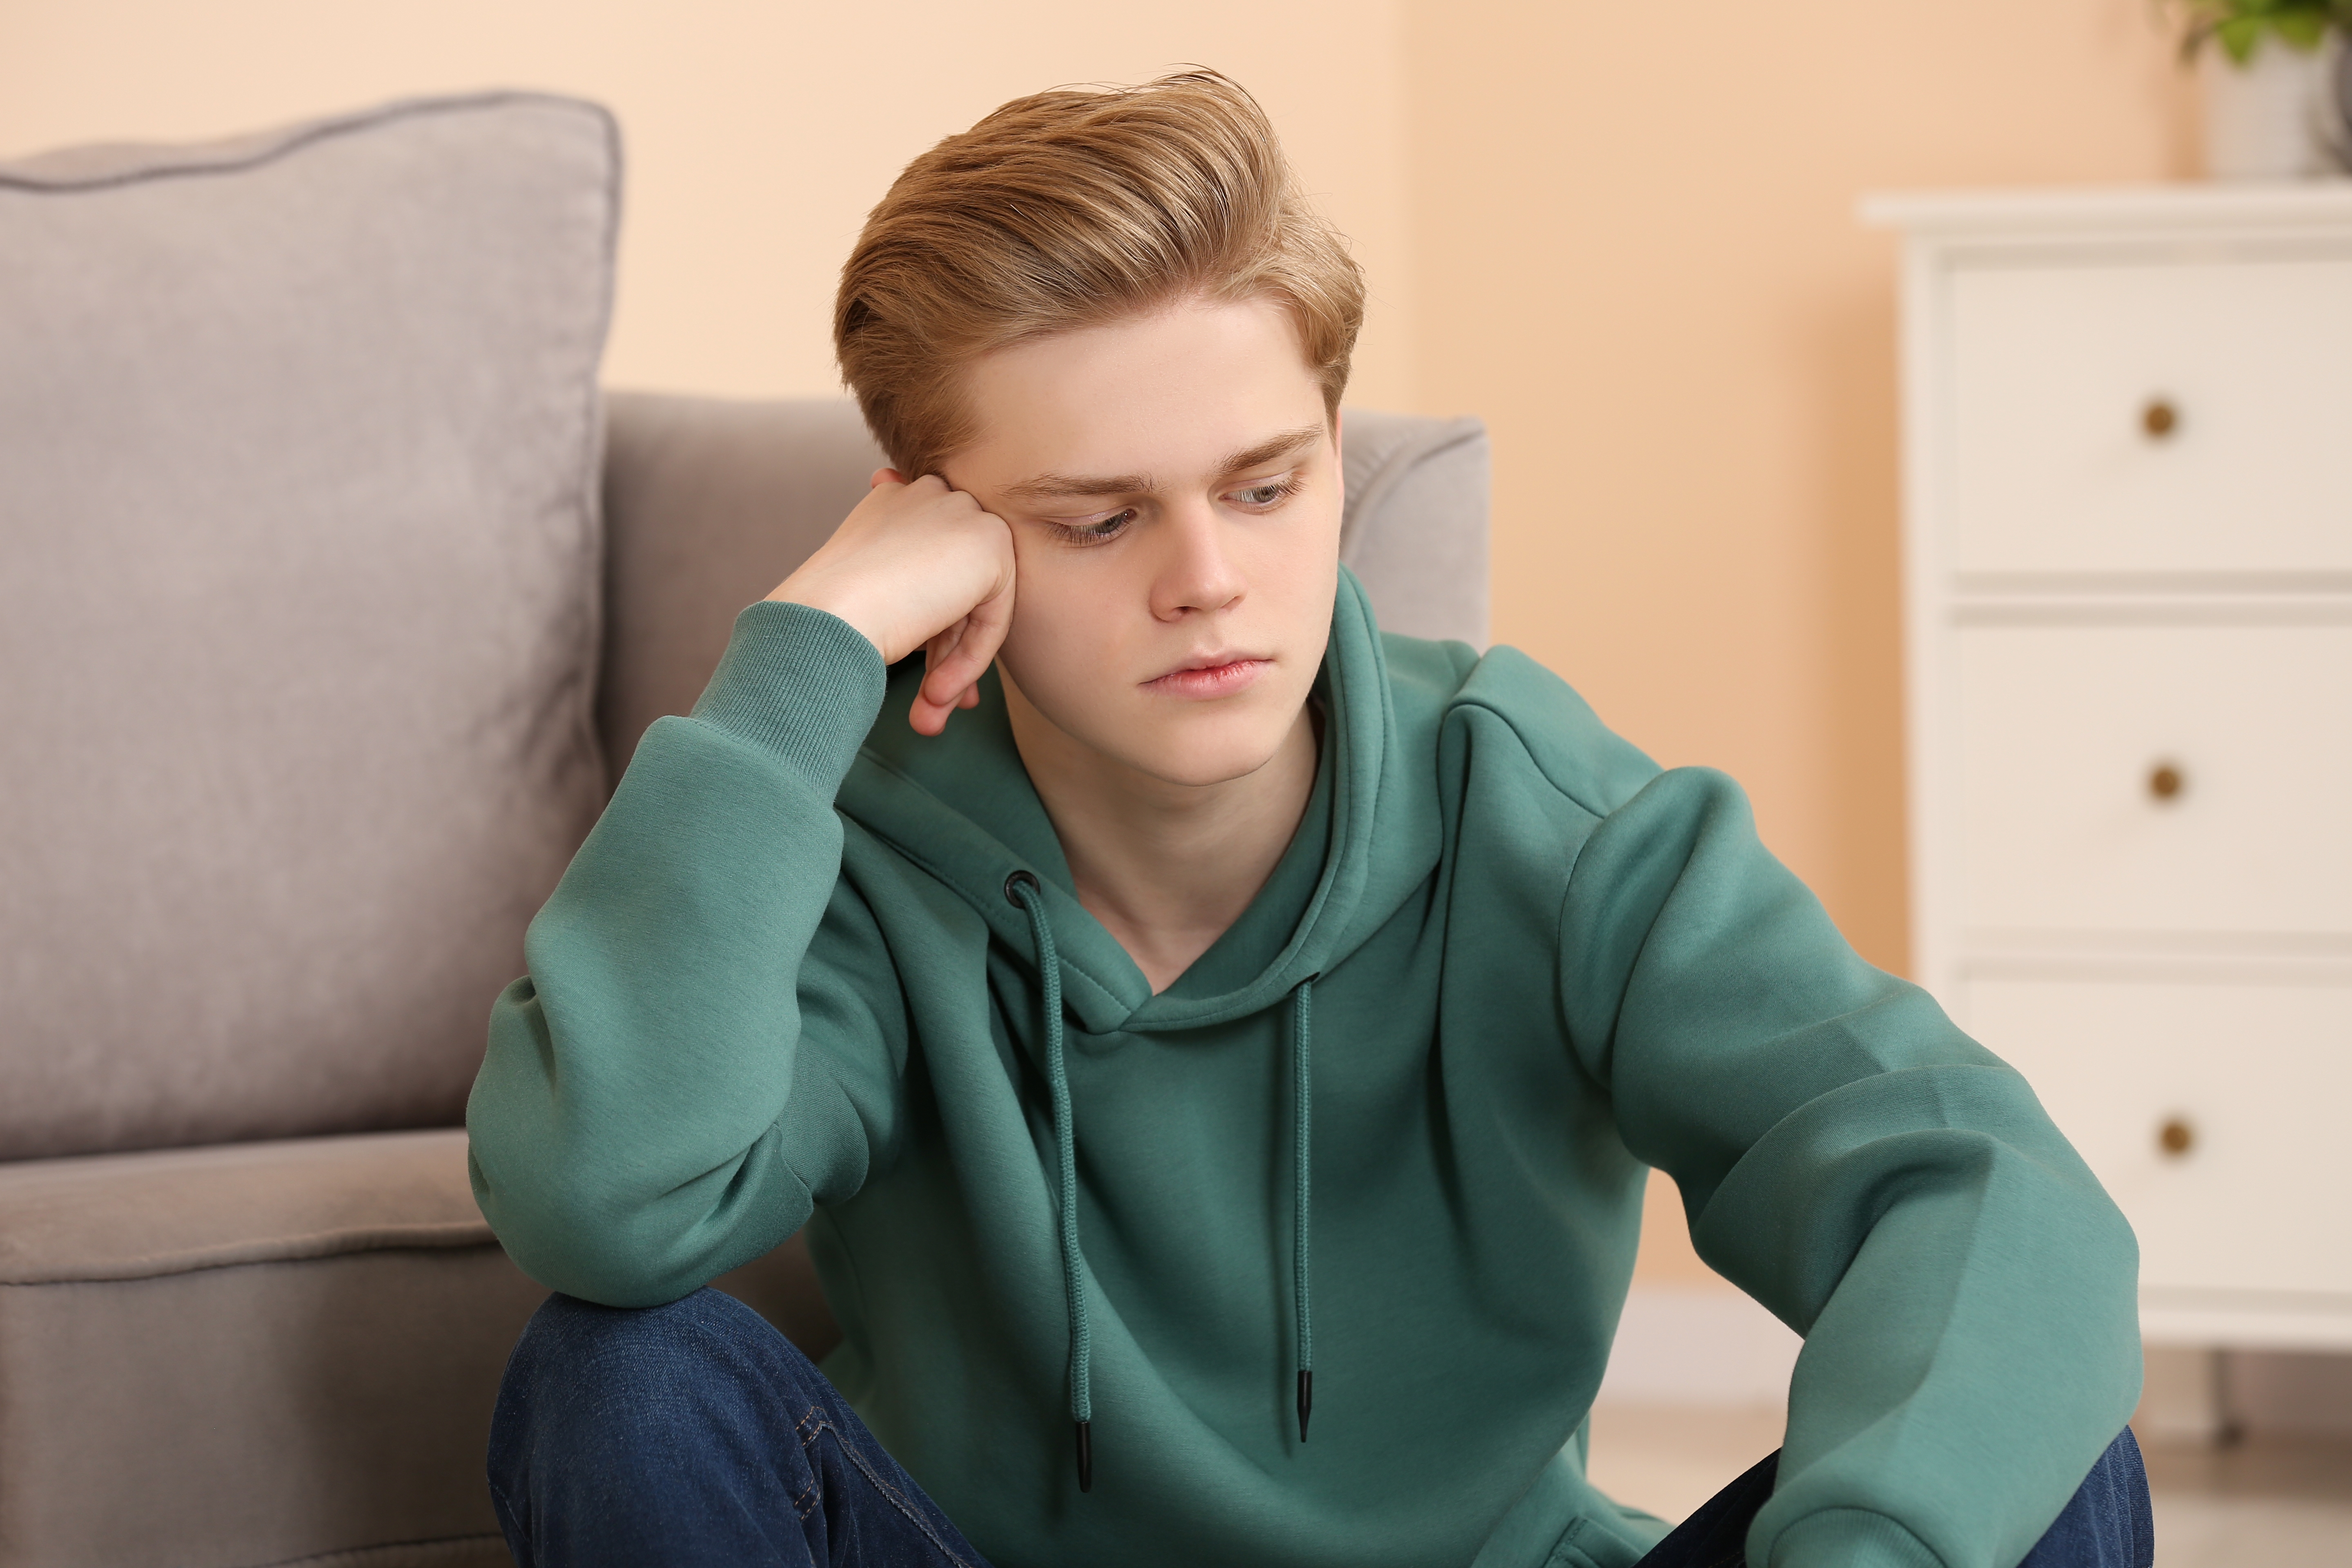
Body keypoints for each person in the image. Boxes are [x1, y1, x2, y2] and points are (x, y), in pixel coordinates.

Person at [466, 71, 2152, 1568]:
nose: (1209, 583)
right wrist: (811, 652)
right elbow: (603, 1206)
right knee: (619, 1380)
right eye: (1099, 519)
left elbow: (1986, 1194)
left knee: (2028, 1452)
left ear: (1340, 455)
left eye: (1265, 487)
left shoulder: (1535, 812)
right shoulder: (863, 853)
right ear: (946, 532)